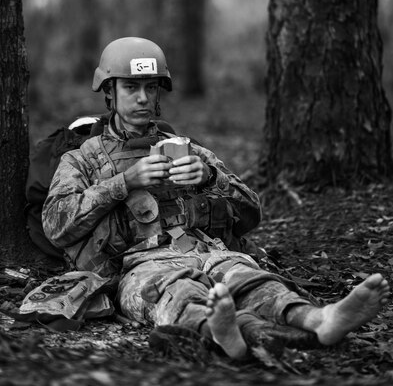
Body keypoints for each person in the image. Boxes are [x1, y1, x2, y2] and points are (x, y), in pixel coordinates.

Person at [42, 37, 390, 360]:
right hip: (142, 267)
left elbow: (253, 212)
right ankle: (224, 332)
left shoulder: (190, 151)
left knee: (248, 278)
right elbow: (56, 225)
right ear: (109, 93)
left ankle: (320, 319)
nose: (143, 98)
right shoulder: (83, 159)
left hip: (209, 252)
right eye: (131, 88)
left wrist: (211, 178)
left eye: (151, 88)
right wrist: (123, 182)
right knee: (172, 294)